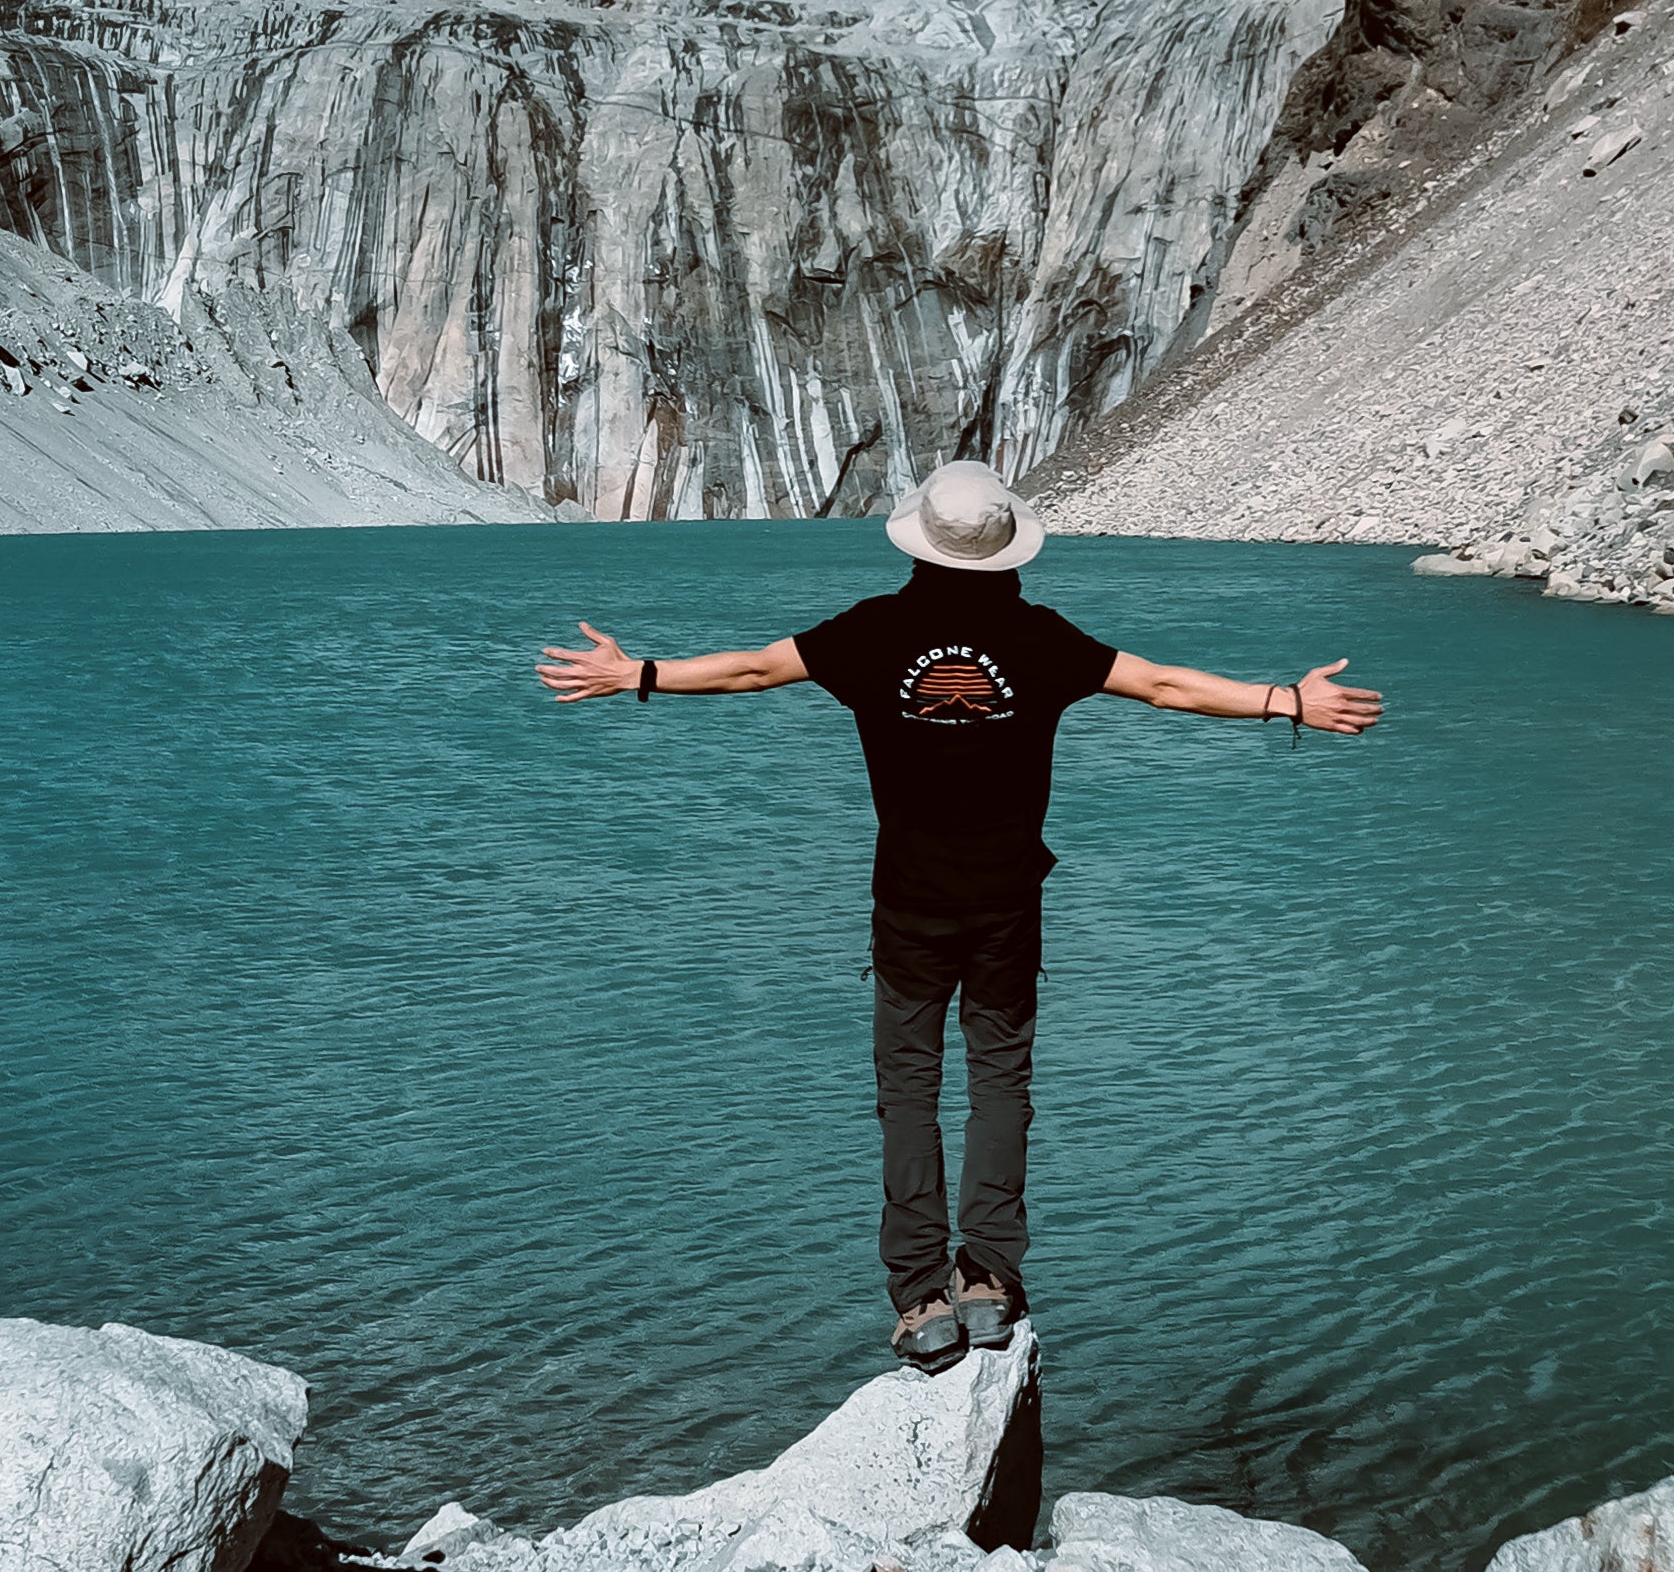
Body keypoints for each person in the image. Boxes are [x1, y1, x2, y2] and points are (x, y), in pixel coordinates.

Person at [536, 457, 1384, 1373]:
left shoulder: (873, 632)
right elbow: (1166, 686)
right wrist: (1289, 701)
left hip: (907, 910)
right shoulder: (1040, 639)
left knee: (908, 1091)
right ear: (1006, 550)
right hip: (1009, 907)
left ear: (920, 543)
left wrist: (639, 675)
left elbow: (748, 670)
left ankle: (918, 1302)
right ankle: (988, 1281)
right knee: (1000, 1084)